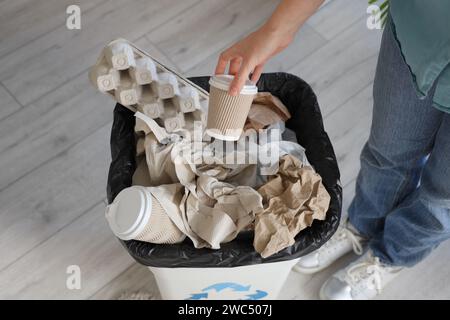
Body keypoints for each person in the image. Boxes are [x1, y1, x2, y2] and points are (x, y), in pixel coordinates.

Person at [215, 0, 450, 300]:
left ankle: (392, 255)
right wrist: (276, 29)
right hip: (421, 30)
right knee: (386, 151)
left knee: (442, 195)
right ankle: (363, 224)